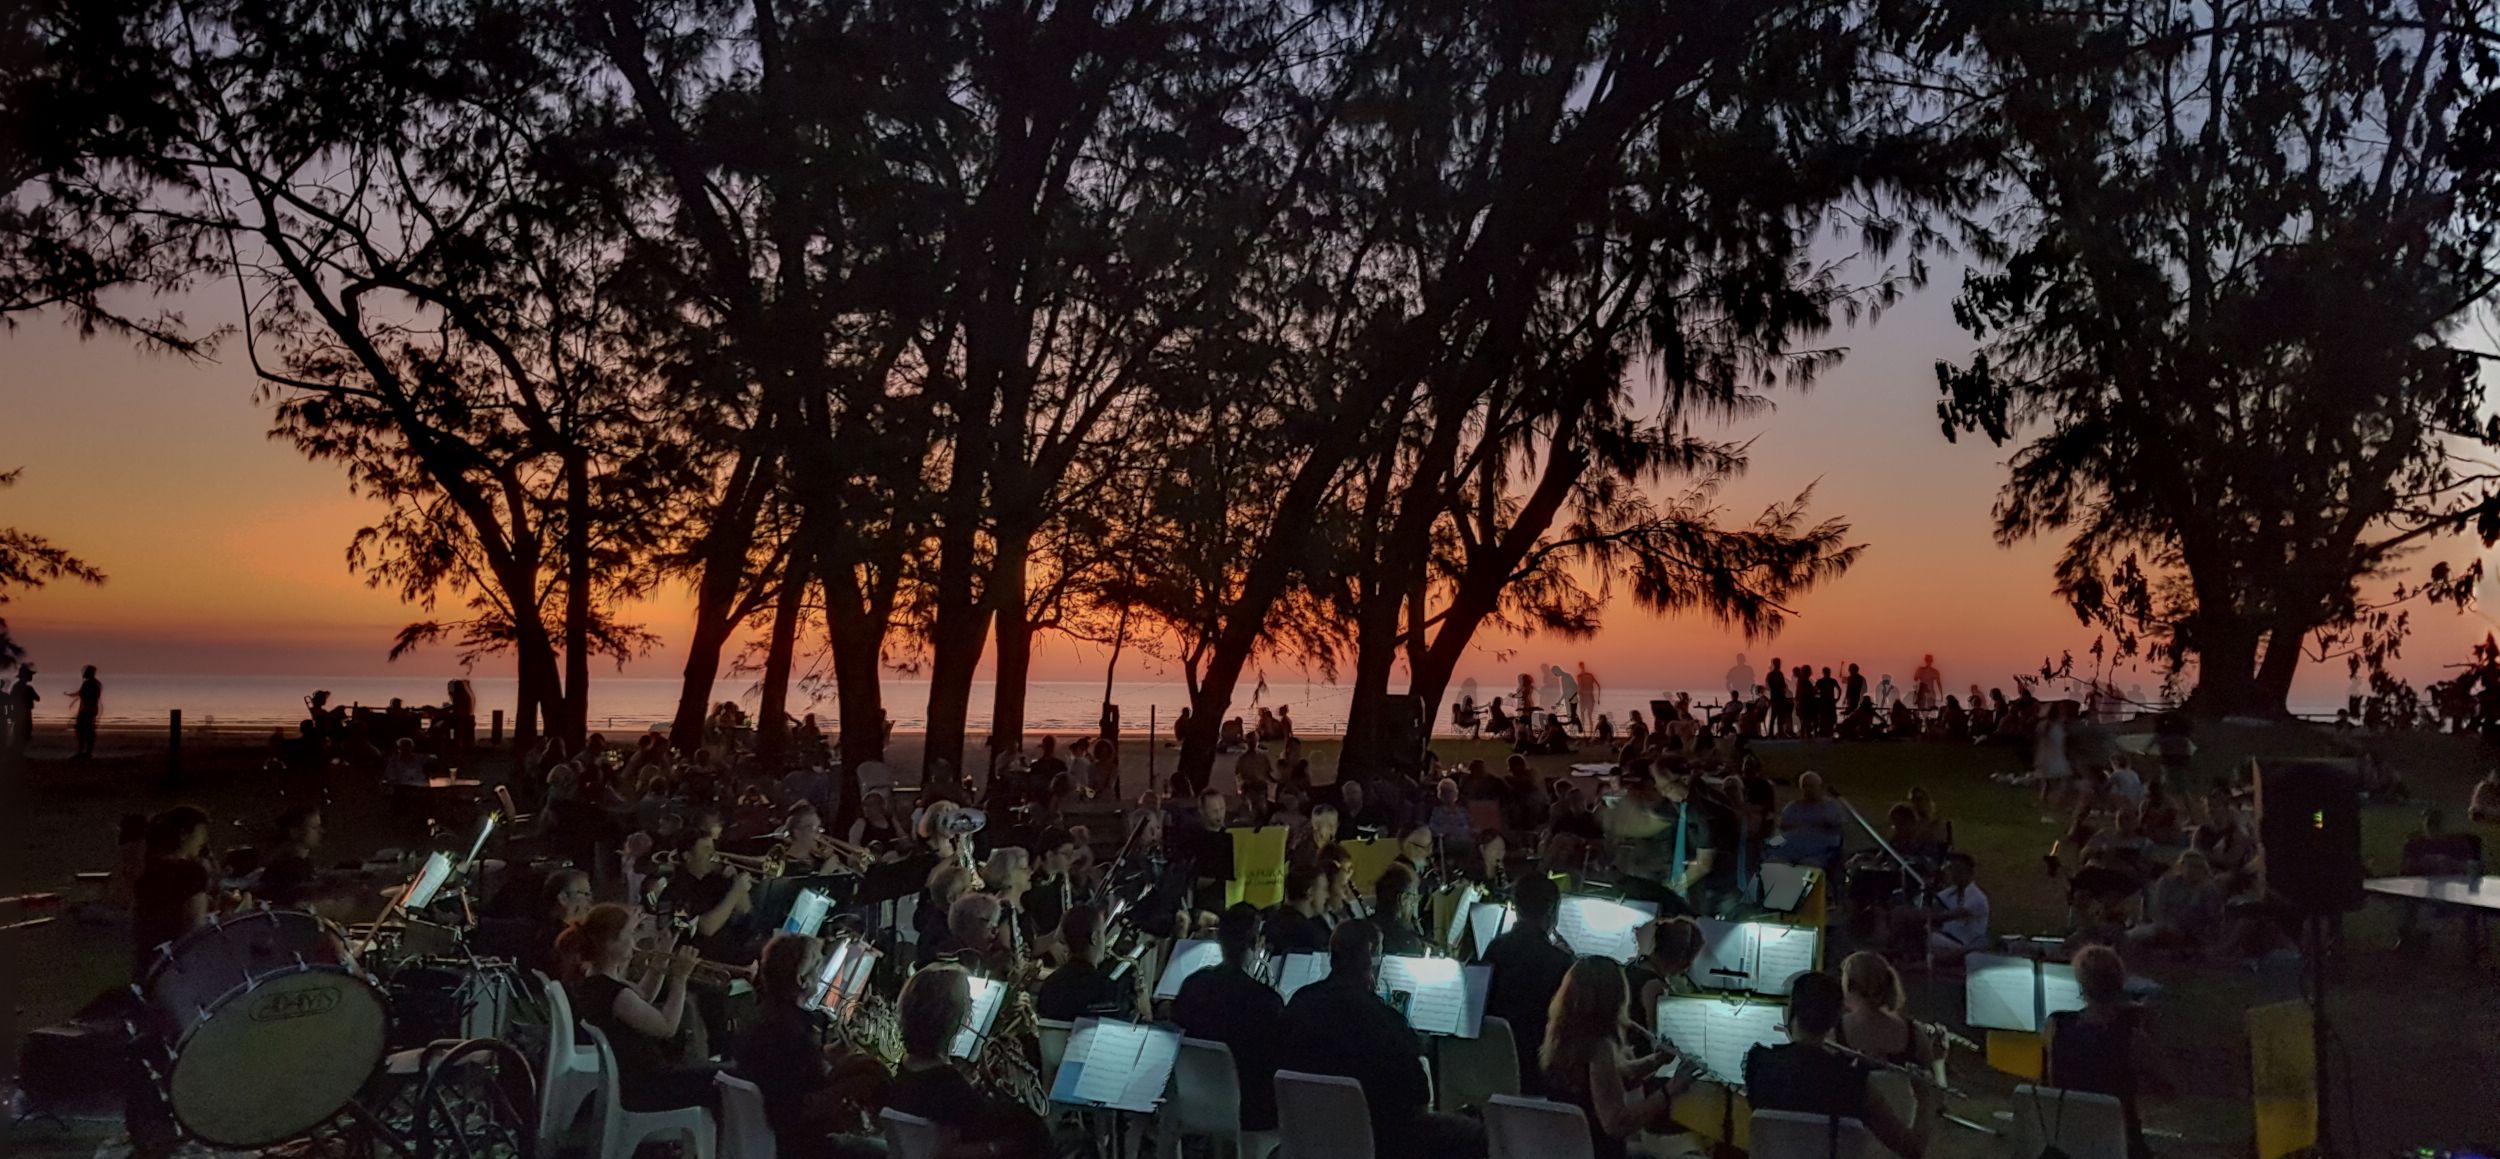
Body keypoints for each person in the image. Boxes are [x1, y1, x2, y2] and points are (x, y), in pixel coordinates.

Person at [1282, 921, 1485, 1159]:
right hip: (1382, 1140)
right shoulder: (1386, 1021)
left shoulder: (1298, 1003)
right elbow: (1419, 1098)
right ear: (1371, 955)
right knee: (1475, 1134)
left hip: (1310, 1136)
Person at [1743, 972, 1933, 1157]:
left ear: (1792, 1011)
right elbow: (1912, 1148)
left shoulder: (1759, 1066)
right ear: (1835, 1019)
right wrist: (1924, 1098)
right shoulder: (1853, 1084)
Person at [561, 904, 718, 1112]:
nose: (634, 942)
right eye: (630, 934)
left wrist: (663, 954)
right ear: (610, 943)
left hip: (638, 1080)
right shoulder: (613, 993)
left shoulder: (595, 981)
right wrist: (680, 978)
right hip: (648, 1086)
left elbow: (644, 995)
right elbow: (667, 1027)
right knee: (727, 1081)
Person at [886, 966, 1051, 1159]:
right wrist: (997, 1148)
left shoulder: (905, 1070)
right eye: (967, 1003)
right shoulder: (948, 1084)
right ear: (951, 1017)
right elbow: (948, 1150)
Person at [1540, 958, 1691, 1159]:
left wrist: (1657, 1060)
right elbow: (1617, 1123)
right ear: (1615, 997)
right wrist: (1670, 1090)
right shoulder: (1599, 1047)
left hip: (1569, 1149)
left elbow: (1611, 1079)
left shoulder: (1561, 1038)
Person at [1172, 905, 1286, 1132]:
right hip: (1251, 1114)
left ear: (1219, 940)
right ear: (1258, 943)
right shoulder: (1267, 1002)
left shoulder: (1192, 986)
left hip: (1195, 1103)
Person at [2045, 945, 2165, 1159]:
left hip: (2066, 1141)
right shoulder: (2129, 1034)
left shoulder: (2056, 1025)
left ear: (2081, 985)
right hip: (2121, 1143)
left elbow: (2051, 1080)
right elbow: (2163, 1087)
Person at [1482, 874, 1574, 1095]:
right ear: (1552, 911)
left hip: (1493, 1063)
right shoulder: (1560, 961)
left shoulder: (1494, 948)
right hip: (1538, 1070)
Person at [132, 806, 213, 976]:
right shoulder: (192, 873)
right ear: (184, 835)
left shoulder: (150, 868)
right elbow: (194, 928)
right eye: (201, 834)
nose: (203, 841)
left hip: (149, 961)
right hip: (179, 966)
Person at [1035, 904, 1147, 1022]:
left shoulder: (1049, 986)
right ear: (1094, 938)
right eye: (1102, 933)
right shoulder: (1108, 990)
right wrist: (1141, 996)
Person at [659, 830, 758, 963]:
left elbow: (744, 909)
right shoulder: (675, 891)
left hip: (732, 952)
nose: (713, 854)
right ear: (687, 856)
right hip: (699, 962)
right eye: (706, 849)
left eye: (712, 848)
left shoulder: (715, 881)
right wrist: (735, 891)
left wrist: (736, 879)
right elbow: (706, 928)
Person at [1837, 952, 1937, 1081]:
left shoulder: (1833, 1031)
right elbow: (1933, 1092)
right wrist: (1938, 1062)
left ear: (1848, 986)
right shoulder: (1915, 1032)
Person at [1626, 916, 1705, 1024]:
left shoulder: (1634, 967)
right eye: (1689, 961)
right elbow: (1655, 1032)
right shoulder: (1654, 986)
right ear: (1681, 958)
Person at [1924, 853, 1989, 965]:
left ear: (1969, 873)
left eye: (1959, 871)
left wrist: (1926, 917)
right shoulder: (1949, 892)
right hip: (1946, 939)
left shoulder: (1977, 898)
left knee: (1927, 936)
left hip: (1965, 944)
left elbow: (1953, 915)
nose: (1955, 875)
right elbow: (1933, 905)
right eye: (1953, 870)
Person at [255, 805, 324, 908]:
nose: (320, 831)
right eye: (314, 827)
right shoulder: (285, 870)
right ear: (295, 832)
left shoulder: (299, 865)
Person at [1775, 771, 1848, 868]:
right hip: (1793, 849)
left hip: (1820, 853)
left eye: (1812, 786)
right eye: (1805, 786)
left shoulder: (1831, 806)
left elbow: (1835, 826)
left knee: (1809, 866)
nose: (1808, 789)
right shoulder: (1792, 807)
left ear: (1820, 787)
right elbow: (1783, 827)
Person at [1361, 861, 1429, 957]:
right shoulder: (1407, 941)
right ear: (1403, 899)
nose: (1414, 904)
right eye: (1414, 898)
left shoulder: (1363, 930)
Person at [1268, 866, 1335, 955]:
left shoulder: (1273, 921)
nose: (1327, 895)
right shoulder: (1310, 934)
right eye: (1324, 889)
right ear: (1310, 892)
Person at [71, 664, 101, 759]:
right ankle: (87, 752)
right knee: (89, 730)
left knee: (81, 730)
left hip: (86, 709)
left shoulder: (88, 684)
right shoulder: (96, 684)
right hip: (92, 709)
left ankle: (82, 751)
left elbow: (83, 695)